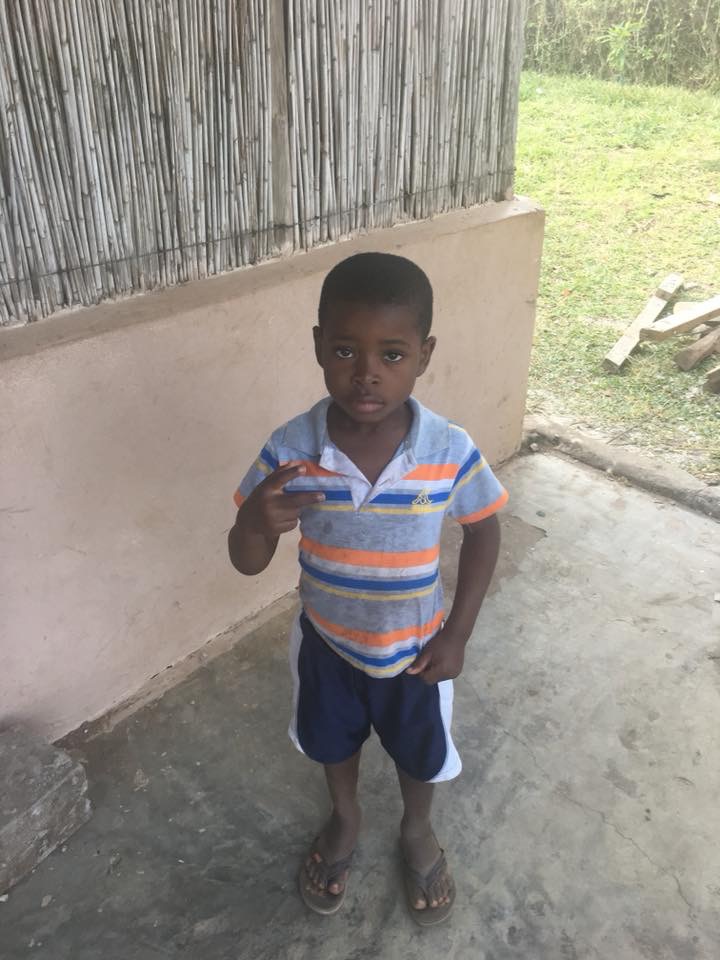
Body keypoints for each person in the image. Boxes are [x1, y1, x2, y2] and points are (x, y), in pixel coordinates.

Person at [228, 252, 506, 925]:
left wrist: (457, 634)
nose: (367, 373)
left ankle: (416, 828)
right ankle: (346, 819)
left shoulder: (447, 448)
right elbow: (247, 561)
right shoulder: (292, 448)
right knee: (334, 744)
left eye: (392, 354)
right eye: (346, 350)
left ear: (424, 355)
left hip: (417, 651)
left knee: (419, 753)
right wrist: (253, 521)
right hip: (327, 645)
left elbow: (484, 530)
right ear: (319, 345)